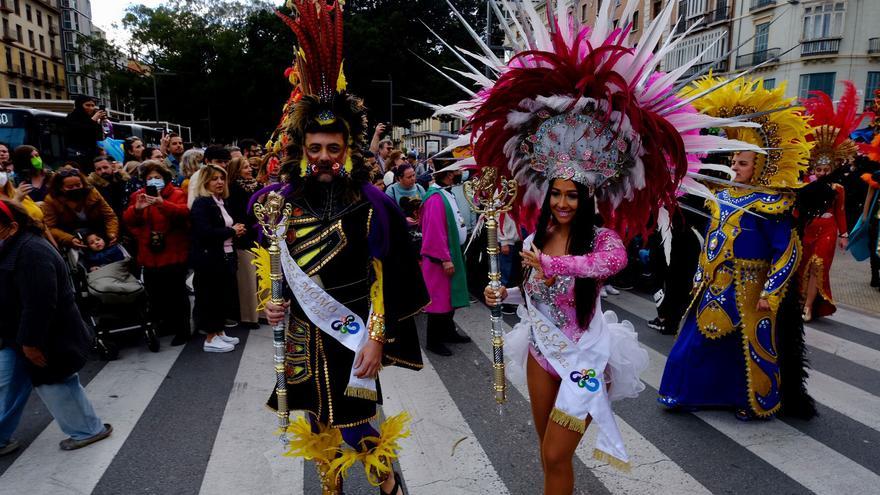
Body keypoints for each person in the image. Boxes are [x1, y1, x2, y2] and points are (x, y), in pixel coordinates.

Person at [433, 2, 767, 490]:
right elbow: (534, 293)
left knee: (556, 450)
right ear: (548, 194)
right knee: (548, 456)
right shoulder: (534, 237)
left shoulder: (603, 239)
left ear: (589, 198)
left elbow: (604, 264)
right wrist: (502, 296)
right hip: (541, 352)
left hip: (585, 354)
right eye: (559, 194)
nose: (565, 202)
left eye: (574, 195)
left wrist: (550, 262)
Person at [262, 4, 427, 493]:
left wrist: (376, 336)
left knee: (356, 425)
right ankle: (330, 490)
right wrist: (274, 304)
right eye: (315, 149)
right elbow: (273, 265)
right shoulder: (283, 203)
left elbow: (387, 274)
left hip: (351, 328)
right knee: (315, 424)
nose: (324, 158)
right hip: (300, 332)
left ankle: (389, 487)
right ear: (303, 149)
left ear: (347, 148)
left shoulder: (374, 203)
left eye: (333, 149)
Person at [658, 76, 817, 421]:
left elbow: (787, 252)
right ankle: (685, 393)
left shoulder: (771, 203)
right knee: (697, 342)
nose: (735, 168)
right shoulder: (724, 196)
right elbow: (711, 240)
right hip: (716, 284)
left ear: (759, 165)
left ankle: (748, 402)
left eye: (742, 163)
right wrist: (701, 275)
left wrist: (771, 293)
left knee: (746, 351)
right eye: (734, 162)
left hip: (750, 287)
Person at [0, 199, 113, 455]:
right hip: (15, 334)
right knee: (8, 385)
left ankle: (88, 430)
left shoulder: (31, 252)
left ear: (12, 227)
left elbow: (40, 304)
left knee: (55, 381)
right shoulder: (12, 247)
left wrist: (30, 343)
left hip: (45, 336)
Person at [796, 81, 868, 321]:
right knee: (802, 264)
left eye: (828, 167)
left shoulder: (838, 188)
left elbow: (841, 212)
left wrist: (844, 235)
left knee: (818, 265)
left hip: (828, 228)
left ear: (834, 166)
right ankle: (801, 300)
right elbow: (798, 208)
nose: (824, 171)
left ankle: (808, 305)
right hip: (808, 228)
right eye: (820, 167)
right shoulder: (806, 186)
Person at [123, 160, 191, 346]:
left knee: (177, 293)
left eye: (157, 177)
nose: (153, 181)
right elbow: (129, 221)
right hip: (150, 253)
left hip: (174, 251)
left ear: (165, 178)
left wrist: (162, 204)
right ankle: (164, 324)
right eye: (149, 178)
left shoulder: (176, 194)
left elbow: (184, 213)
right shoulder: (139, 196)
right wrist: (136, 210)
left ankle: (182, 329)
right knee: (155, 293)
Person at [189, 165, 245, 352]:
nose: (220, 182)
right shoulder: (202, 203)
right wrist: (231, 230)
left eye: (222, 178)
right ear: (205, 181)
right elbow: (204, 232)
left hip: (225, 256)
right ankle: (210, 338)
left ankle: (219, 332)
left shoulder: (221, 201)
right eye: (214, 178)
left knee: (222, 297)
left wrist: (236, 230)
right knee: (210, 298)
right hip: (209, 259)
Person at [420, 166, 471, 356]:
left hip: (451, 253)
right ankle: (433, 341)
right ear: (449, 174)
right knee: (439, 302)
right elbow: (434, 231)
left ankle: (449, 332)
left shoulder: (444, 193)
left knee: (450, 299)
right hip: (440, 260)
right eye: (457, 170)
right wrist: (444, 259)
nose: (460, 173)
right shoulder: (435, 198)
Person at [41, 166, 119, 249]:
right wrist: (69, 239)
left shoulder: (92, 193)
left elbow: (109, 216)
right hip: (73, 237)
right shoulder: (51, 200)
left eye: (78, 185)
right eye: (70, 187)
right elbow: (50, 228)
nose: (75, 188)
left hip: (99, 235)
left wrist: (112, 233)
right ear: (60, 188)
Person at [226, 156, 260, 329]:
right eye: (245, 167)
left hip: (260, 236)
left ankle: (261, 313)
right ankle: (249, 316)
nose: (249, 170)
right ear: (236, 171)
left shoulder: (258, 186)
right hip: (243, 237)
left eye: (249, 167)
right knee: (247, 277)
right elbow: (238, 214)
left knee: (261, 277)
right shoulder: (232, 189)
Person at [65, 95, 105, 173]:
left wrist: (101, 122)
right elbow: (80, 133)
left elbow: (98, 137)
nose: (90, 108)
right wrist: (93, 120)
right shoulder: (71, 118)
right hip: (77, 158)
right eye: (87, 105)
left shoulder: (92, 119)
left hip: (92, 157)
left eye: (93, 105)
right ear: (80, 105)